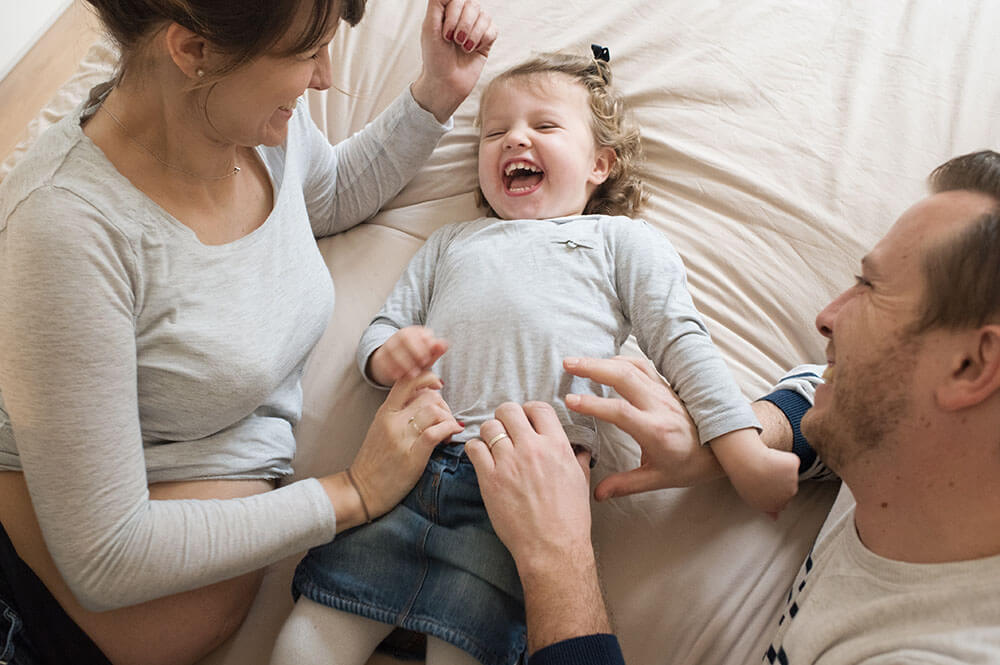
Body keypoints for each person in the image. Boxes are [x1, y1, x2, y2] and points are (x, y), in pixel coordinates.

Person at [0, 0, 497, 663]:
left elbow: (327, 193)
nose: (325, 77)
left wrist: (436, 94)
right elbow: (106, 557)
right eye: (306, 53)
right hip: (28, 623)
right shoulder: (66, 233)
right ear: (192, 50)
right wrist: (352, 492)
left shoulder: (255, 128)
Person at [271, 49, 799, 665]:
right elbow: (385, 326)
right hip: (405, 468)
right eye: (494, 132)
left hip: (519, 490)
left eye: (544, 126)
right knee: (305, 641)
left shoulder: (619, 241)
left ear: (600, 163)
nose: (513, 139)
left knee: (462, 650)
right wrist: (388, 356)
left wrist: (743, 452)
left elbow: (682, 341)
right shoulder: (452, 241)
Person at [466, 150, 1000, 663]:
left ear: (971, 367)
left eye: (870, 286)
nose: (827, 315)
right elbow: (835, 390)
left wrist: (556, 557)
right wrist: (736, 440)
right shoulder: (929, 447)